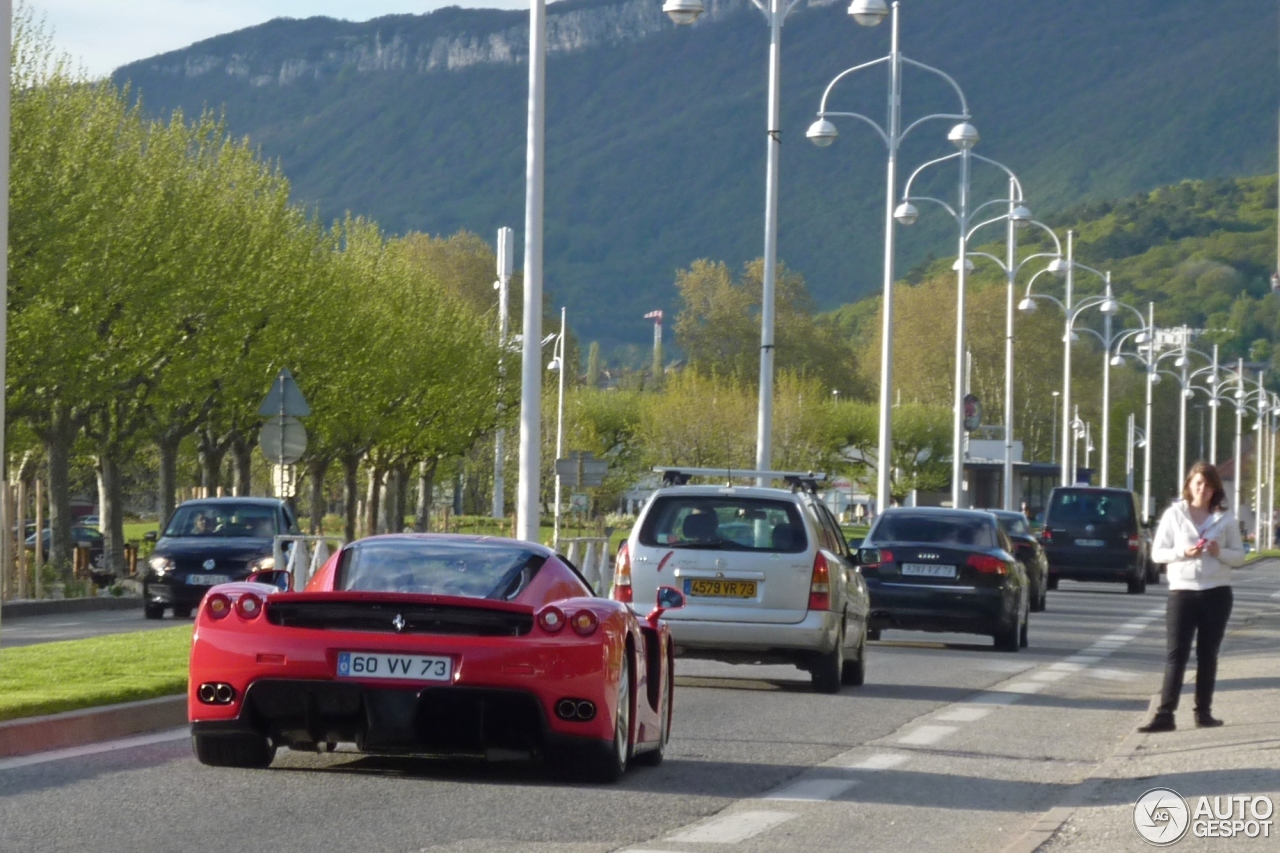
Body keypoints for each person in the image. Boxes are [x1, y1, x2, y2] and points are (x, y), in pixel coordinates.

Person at [1139, 461, 1245, 733]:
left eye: (1208, 485)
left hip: (1216, 592)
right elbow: (1157, 553)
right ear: (1189, 485)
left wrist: (1218, 551)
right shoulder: (1174, 515)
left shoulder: (1226, 518)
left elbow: (1239, 557)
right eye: (1198, 483)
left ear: (1215, 489)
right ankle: (1165, 715)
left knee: (1208, 654)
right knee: (1176, 654)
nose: (1203, 489)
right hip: (1182, 591)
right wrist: (1183, 553)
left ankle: (1204, 713)